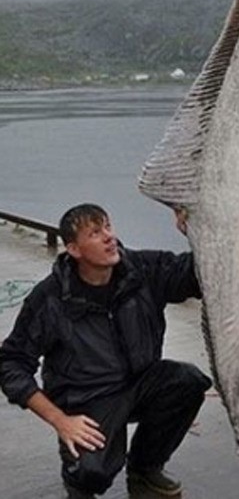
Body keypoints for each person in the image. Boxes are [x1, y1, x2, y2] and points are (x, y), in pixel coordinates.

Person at [0, 203, 211, 499]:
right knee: (92, 473)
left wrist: (195, 229)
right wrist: (60, 421)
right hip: (87, 399)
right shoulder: (49, 299)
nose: (109, 237)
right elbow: (10, 364)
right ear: (74, 249)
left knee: (187, 381)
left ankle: (145, 470)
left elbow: (196, 273)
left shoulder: (141, 271)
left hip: (139, 384)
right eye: (96, 232)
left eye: (108, 227)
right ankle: (78, 483)